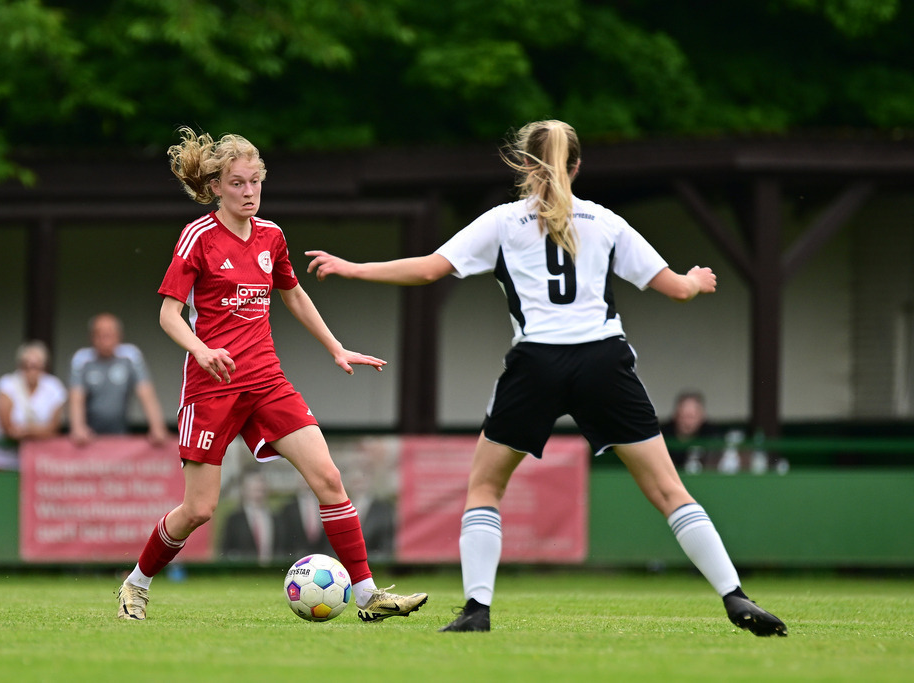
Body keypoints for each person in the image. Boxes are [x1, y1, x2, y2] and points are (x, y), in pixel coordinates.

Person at [306, 119, 787, 637]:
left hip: (537, 363)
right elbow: (675, 289)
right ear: (576, 166)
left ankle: (477, 610)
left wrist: (353, 267)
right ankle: (734, 595)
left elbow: (428, 270)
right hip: (604, 360)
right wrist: (695, 280)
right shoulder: (606, 222)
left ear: (524, 165)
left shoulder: (504, 222)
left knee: (485, 486)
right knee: (670, 491)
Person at [116, 127, 427, 623]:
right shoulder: (198, 237)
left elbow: (293, 294)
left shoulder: (272, 236)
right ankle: (136, 584)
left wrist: (335, 346)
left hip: (266, 381)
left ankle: (368, 596)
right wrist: (202, 350)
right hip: (212, 387)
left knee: (329, 477)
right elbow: (168, 315)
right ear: (216, 187)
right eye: (237, 183)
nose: (249, 192)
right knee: (199, 510)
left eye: (255, 182)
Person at [68, 312, 169, 446]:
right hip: (89, 435)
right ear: (91, 337)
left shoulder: (131, 356)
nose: (105, 339)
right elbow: (76, 397)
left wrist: (157, 427)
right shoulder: (81, 359)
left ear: (119, 336)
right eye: (100, 335)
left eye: (109, 334)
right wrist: (78, 428)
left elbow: (146, 393)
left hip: (121, 431)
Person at [0, 341, 67, 471]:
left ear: (44, 367)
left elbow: (53, 428)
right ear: (19, 366)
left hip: (35, 462)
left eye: (36, 366)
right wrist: (40, 431)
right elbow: (8, 429)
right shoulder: (6, 385)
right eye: (26, 366)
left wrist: (25, 431)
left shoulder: (54, 387)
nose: (31, 371)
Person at [219, 470, 278, 564]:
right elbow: (224, 551)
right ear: (244, 490)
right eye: (254, 489)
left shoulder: (276, 518)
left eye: (261, 489)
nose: (258, 492)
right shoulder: (234, 520)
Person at [661, 390, 720, 472]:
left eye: (692, 417)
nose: (687, 423)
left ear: (702, 416)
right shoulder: (662, 436)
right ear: (675, 416)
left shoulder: (713, 437)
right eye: (683, 416)